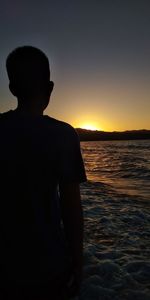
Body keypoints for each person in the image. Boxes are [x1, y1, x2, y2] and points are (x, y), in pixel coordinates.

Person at [0, 46, 86, 299]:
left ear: (12, 88)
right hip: (48, 267)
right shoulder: (63, 135)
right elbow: (71, 206)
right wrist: (78, 261)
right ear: (50, 88)